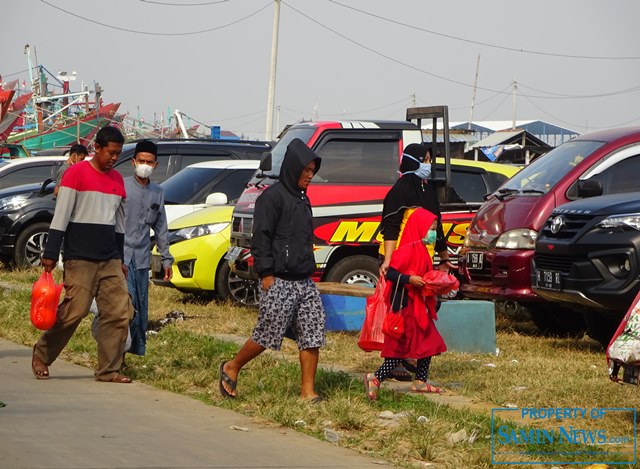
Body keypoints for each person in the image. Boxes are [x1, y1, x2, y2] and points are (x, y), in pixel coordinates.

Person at [219, 138, 325, 402]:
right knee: (267, 334)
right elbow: (260, 239)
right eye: (306, 170)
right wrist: (266, 274)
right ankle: (232, 366)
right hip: (278, 279)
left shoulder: (304, 199)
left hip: (304, 281)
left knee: (313, 334)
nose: (310, 176)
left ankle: (307, 392)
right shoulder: (272, 197)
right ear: (293, 168)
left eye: (313, 171)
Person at [31, 126, 134, 383]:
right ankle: (42, 354)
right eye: (110, 152)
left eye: (118, 154)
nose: (113, 158)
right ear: (96, 148)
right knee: (74, 312)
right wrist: (51, 252)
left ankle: (108, 370)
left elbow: (119, 225)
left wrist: (120, 260)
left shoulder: (118, 181)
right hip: (80, 258)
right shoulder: (76, 174)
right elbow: (62, 215)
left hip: (109, 258)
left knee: (119, 313)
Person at [378, 143, 454, 381]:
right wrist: (389, 261)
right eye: (425, 159)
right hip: (399, 256)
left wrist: (443, 258)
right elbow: (390, 227)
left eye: (430, 159)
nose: (428, 164)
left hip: (422, 256)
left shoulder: (427, 190)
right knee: (401, 309)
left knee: (428, 304)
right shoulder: (399, 191)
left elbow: (436, 225)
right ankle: (396, 361)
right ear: (413, 160)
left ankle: (412, 355)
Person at [364, 208, 447, 400]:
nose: (433, 233)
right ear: (419, 227)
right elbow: (391, 274)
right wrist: (410, 279)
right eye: (431, 229)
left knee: (428, 342)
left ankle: (420, 381)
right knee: (400, 349)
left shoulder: (423, 252)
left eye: (434, 229)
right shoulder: (405, 250)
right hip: (405, 308)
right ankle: (375, 378)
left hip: (420, 308)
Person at [123, 140, 173, 362]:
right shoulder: (121, 187)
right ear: (133, 162)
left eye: (149, 162)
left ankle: (129, 351)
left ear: (156, 164)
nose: (144, 165)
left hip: (142, 259)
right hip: (120, 258)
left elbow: (161, 227)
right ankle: (116, 356)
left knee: (141, 310)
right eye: (141, 161)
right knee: (125, 307)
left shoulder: (157, 192)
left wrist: (167, 259)